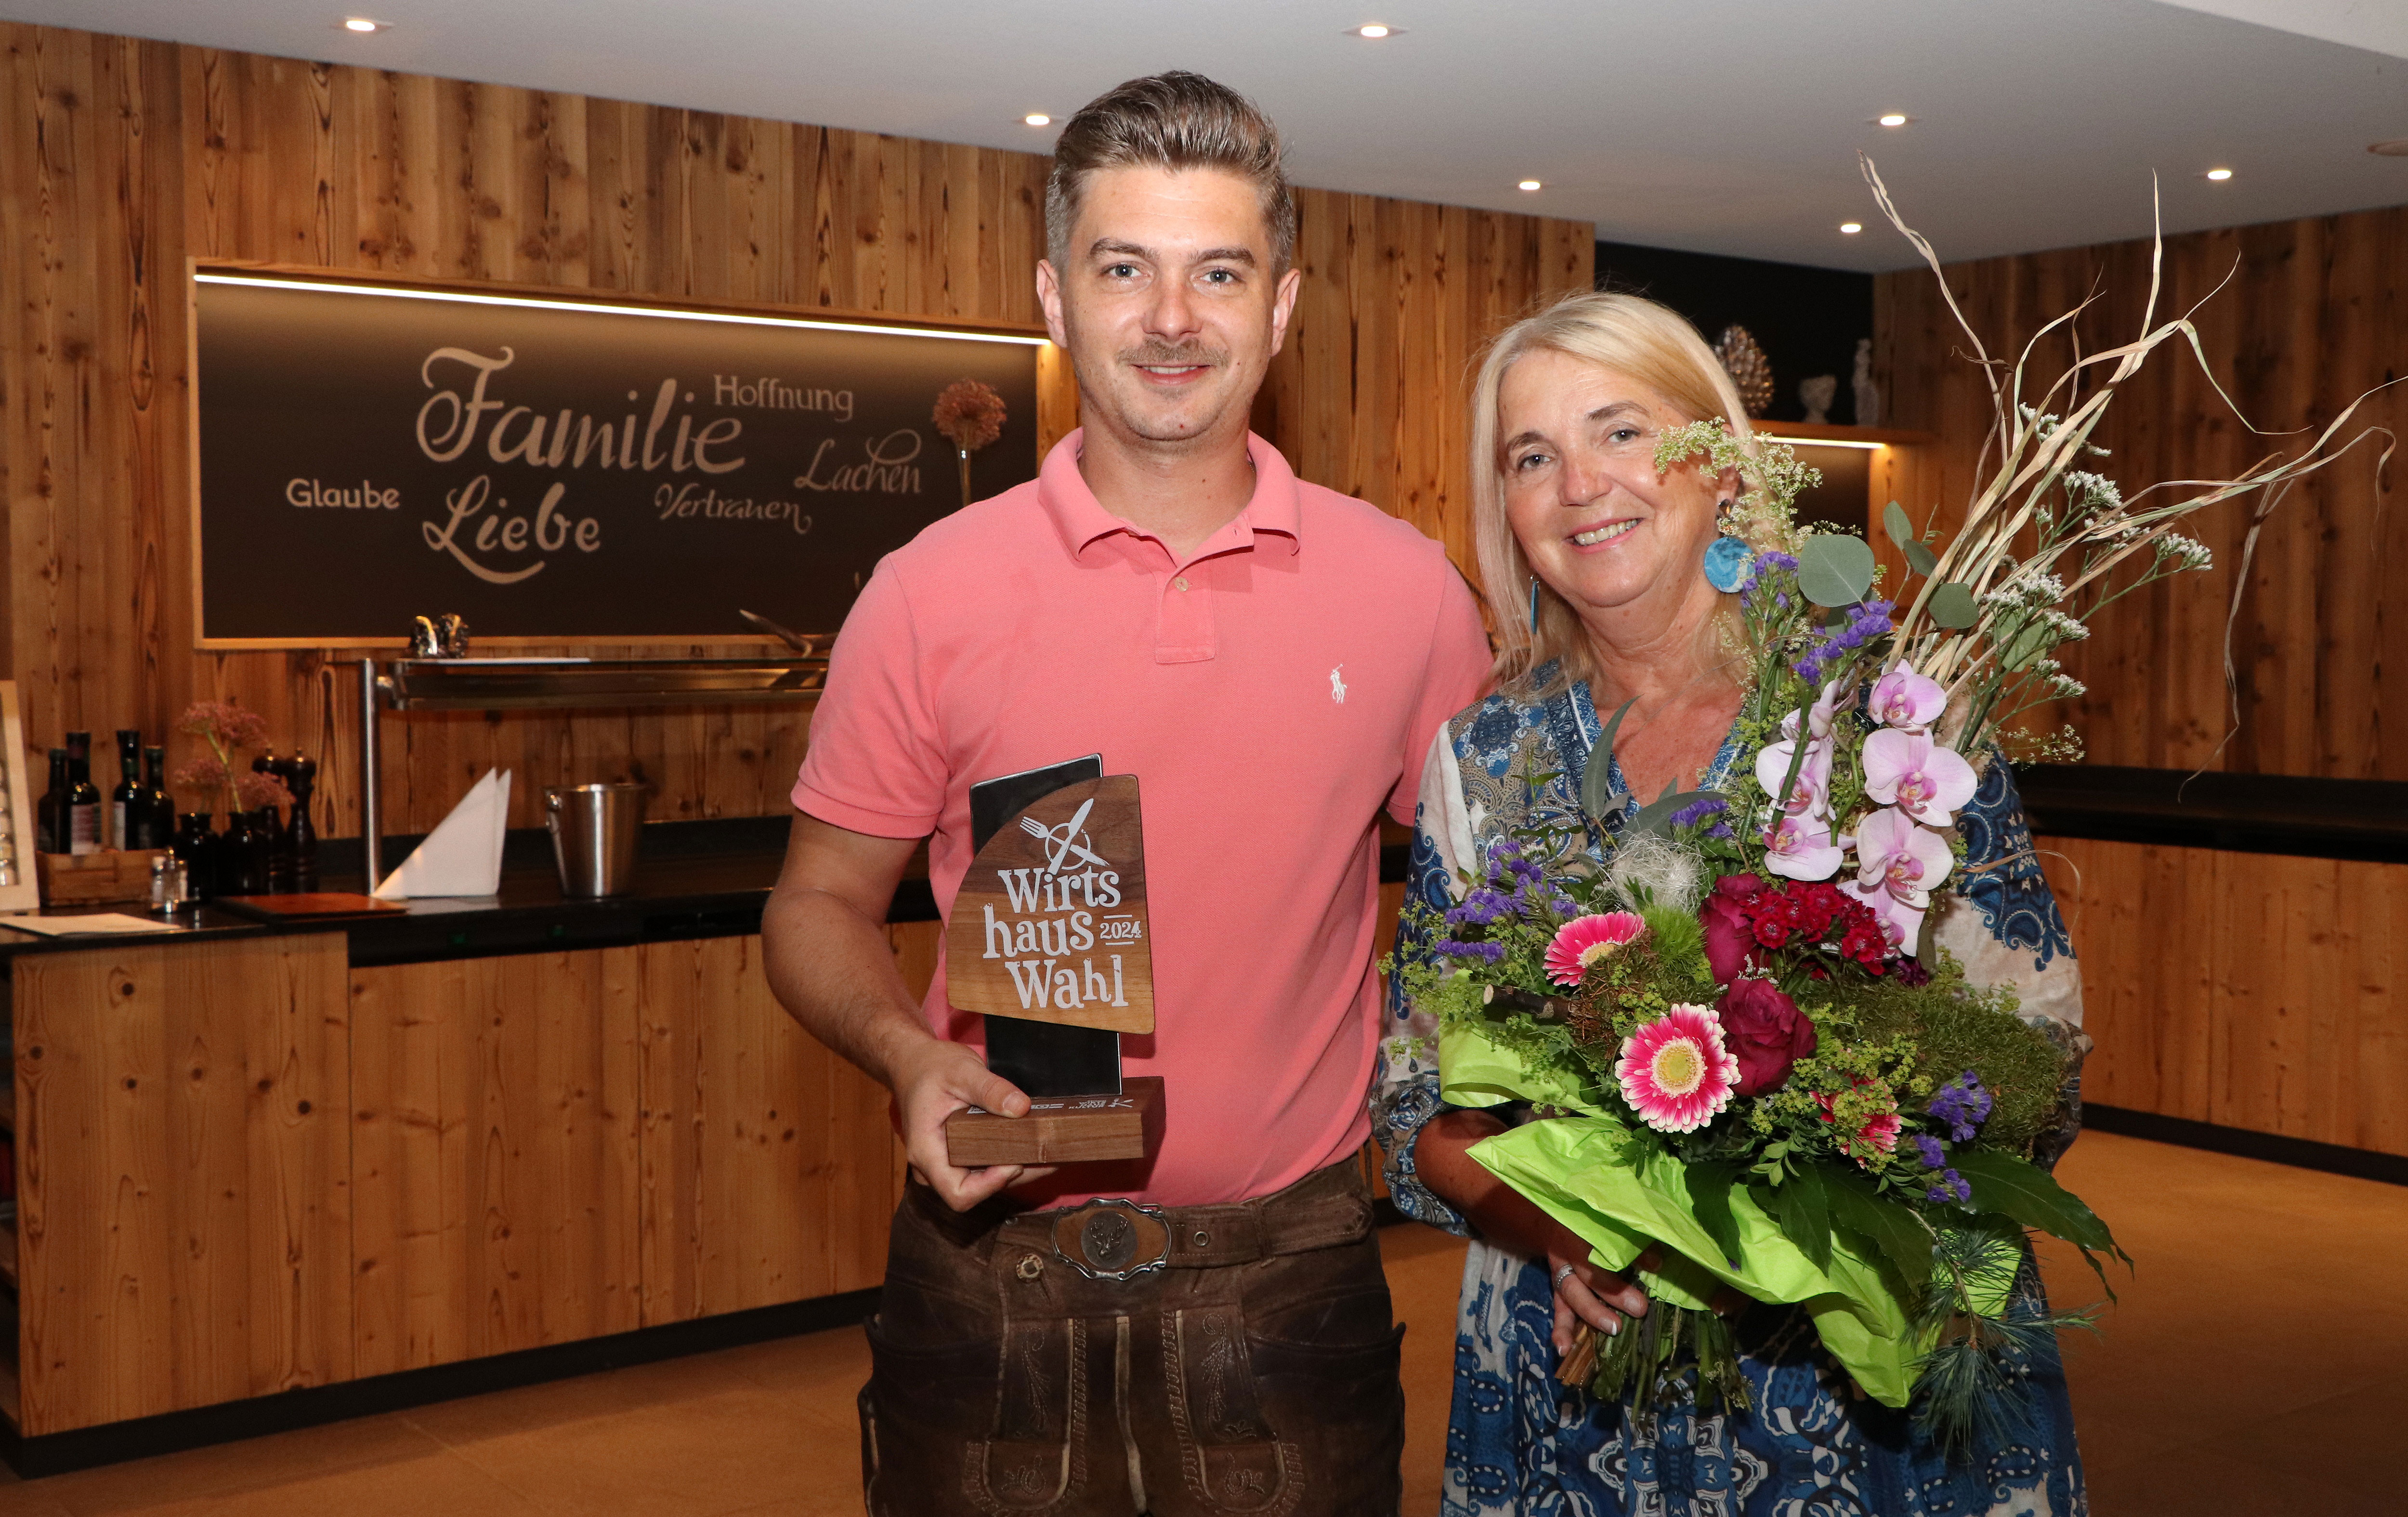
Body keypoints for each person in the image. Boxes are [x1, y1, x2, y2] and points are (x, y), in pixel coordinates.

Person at [763, 71, 1492, 1516]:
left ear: (1280, 308)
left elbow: (1508, 918)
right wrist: (907, 1057)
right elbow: (815, 903)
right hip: (988, 1287)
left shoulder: (1408, 592)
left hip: (1292, 1291)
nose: (1172, 318)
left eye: (1219, 272)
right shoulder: (926, 592)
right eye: (1123, 269)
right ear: (1054, 296)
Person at [1372, 291, 2089, 1515]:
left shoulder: (1884, 717)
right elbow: (1412, 1106)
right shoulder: (1482, 756)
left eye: (1619, 431)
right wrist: (1562, 1223)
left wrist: (1786, 1190)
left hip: (1871, 1391)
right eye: (1531, 457)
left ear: (1717, 463)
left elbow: (2036, 1071)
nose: (1579, 485)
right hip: (1573, 1378)